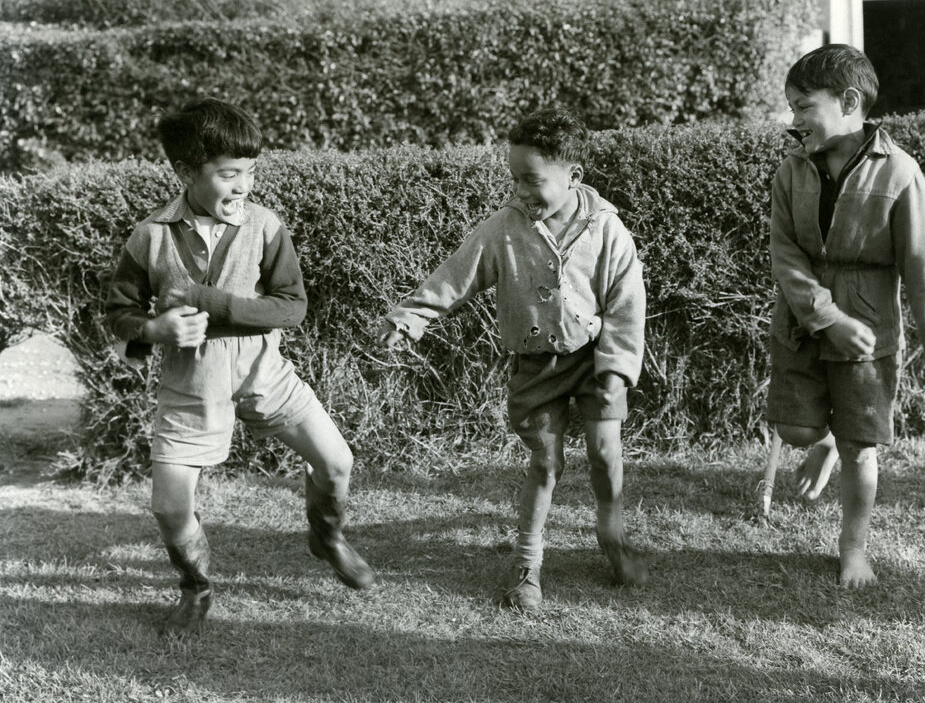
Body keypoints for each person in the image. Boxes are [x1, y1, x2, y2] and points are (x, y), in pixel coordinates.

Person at [106, 97, 374, 637]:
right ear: (186, 172)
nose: (244, 186)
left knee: (337, 463)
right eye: (229, 175)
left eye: (250, 172)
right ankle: (196, 586)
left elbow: (292, 307)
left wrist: (211, 301)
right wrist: (155, 330)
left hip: (264, 372)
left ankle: (326, 536)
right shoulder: (150, 235)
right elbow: (118, 314)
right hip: (191, 383)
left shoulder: (266, 225)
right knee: (167, 506)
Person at [378, 107, 648, 611]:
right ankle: (528, 565)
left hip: (596, 359)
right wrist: (410, 317)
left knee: (605, 455)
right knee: (546, 463)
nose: (522, 191)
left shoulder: (607, 229)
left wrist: (616, 368)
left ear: (574, 176)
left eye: (534, 180)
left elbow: (627, 304)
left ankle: (613, 538)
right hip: (535, 365)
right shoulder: (502, 229)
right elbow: (454, 276)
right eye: (515, 179)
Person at [767, 44, 925, 588]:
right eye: (792, 108)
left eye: (804, 106)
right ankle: (825, 437)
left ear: (849, 101)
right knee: (797, 428)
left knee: (860, 447)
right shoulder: (792, 171)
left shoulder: (899, 171)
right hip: (801, 323)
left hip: (868, 333)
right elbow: (784, 253)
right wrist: (825, 316)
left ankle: (852, 546)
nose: (794, 119)